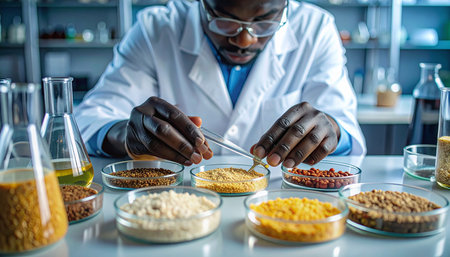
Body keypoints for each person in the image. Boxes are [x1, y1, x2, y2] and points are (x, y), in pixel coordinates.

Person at [74, 0, 366, 168]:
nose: (244, 40)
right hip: (179, 205)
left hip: (274, 205)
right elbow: (89, 119)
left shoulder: (316, 30)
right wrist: (126, 134)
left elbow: (347, 130)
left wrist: (330, 129)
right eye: (224, 20)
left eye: (264, 22)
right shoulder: (156, 29)